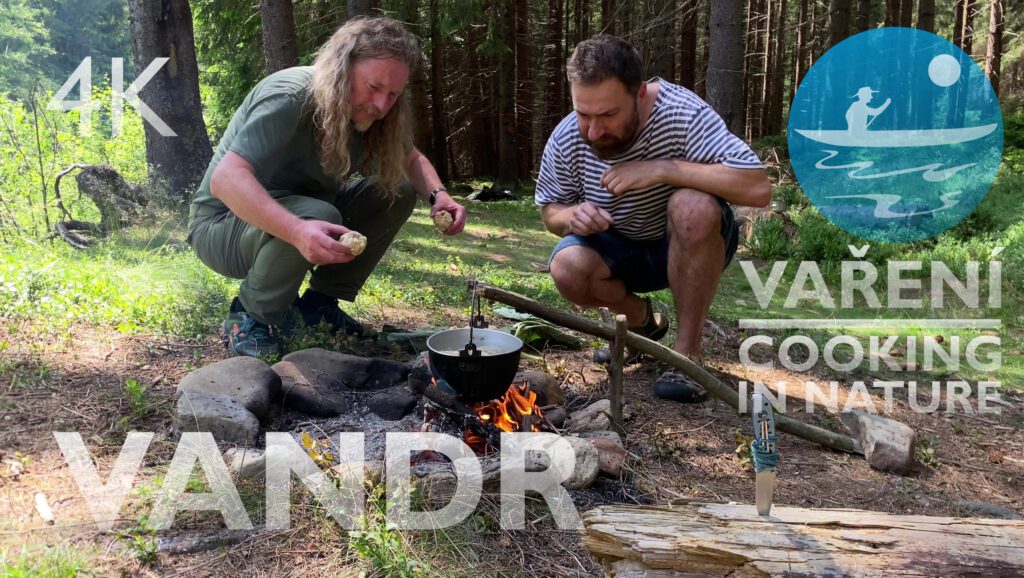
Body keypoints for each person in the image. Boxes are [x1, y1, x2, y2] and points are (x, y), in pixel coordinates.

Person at [188, 17, 465, 358]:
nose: (381, 106)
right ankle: (248, 316)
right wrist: (297, 230)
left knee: (398, 191)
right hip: (222, 227)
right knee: (319, 212)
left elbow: (410, 160)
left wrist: (439, 196)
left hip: (302, 217)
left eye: (393, 94)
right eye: (374, 87)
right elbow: (226, 180)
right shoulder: (290, 95)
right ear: (342, 69)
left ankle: (318, 307)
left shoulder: (375, 114)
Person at [535, 35, 771, 402]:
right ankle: (641, 323)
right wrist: (571, 217)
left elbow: (757, 187)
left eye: (608, 115)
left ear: (640, 95)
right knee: (567, 267)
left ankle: (687, 357)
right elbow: (550, 210)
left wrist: (663, 169)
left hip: (686, 242)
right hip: (617, 247)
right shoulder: (568, 136)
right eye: (584, 114)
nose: (593, 131)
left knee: (691, 204)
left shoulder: (682, 113)